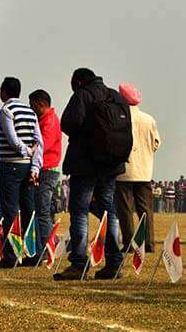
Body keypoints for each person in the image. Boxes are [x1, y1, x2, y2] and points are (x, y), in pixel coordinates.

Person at [54, 68, 130, 281]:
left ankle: (79, 264)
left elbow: (69, 123)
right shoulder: (115, 96)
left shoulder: (83, 94)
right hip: (111, 164)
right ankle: (114, 262)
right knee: (109, 212)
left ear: (78, 81)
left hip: (85, 163)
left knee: (79, 211)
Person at [0, 77, 43, 268]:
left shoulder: (6, 110)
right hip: (27, 166)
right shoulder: (30, 112)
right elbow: (39, 140)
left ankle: (11, 255)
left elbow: (12, 138)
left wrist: (25, 151)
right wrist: (35, 166)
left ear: (4, 92)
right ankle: (34, 253)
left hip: (10, 164)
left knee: (10, 211)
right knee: (29, 211)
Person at [114, 83, 160, 253]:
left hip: (124, 172)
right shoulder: (149, 119)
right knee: (146, 209)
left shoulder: (118, 118)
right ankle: (148, 243)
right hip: (144, 172)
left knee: (125, 210)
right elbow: (156, 143)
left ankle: (129, 244)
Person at [29, 89, 62, 257]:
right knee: (44, 210)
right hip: (47, 168)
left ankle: (46, 249)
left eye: (32, 106)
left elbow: (43, 146)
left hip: (48, 169)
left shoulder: (49, 121)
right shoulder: (45, 119)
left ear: (41, 104)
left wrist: (29, 151)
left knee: (42, 211)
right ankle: (48, 246)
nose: (31, 109)